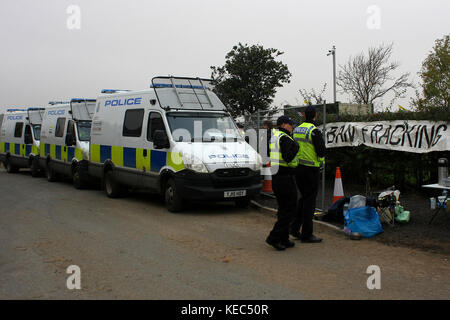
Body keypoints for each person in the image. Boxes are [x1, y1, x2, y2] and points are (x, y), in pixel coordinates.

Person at [290, 106, 326, 243]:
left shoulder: (297, 129)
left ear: (304, 115)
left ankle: (294, 228)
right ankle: (307, 234)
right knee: (310, 202)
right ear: (315, 115)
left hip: (299, 168)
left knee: (303, 199)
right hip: (311, 169)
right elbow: (321, 151)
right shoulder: (314, 131)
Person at [266, 116, 299, 251]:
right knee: (290, 209)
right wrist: (296, 147)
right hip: (285, 177)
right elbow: (288, 156)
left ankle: (283, 238)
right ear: (284, 125)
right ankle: (274, 237)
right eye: (291, 124)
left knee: (283, 208)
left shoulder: (274, 136)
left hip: (277, 176)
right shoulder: (284, 138)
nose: (292, 127)